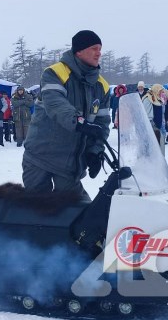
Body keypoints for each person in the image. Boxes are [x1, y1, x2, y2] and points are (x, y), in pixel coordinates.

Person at [22, 30, 110, 198]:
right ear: (79, 51)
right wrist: (78, 121)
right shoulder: (54, 73)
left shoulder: (102, 86)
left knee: (78, 215)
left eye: (100, 48)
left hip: (70, 164)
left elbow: (102, 124)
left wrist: (95, 150)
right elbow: (56, 104)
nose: (99, 53)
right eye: (94, 48)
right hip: (40, 156)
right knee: (37, 211)